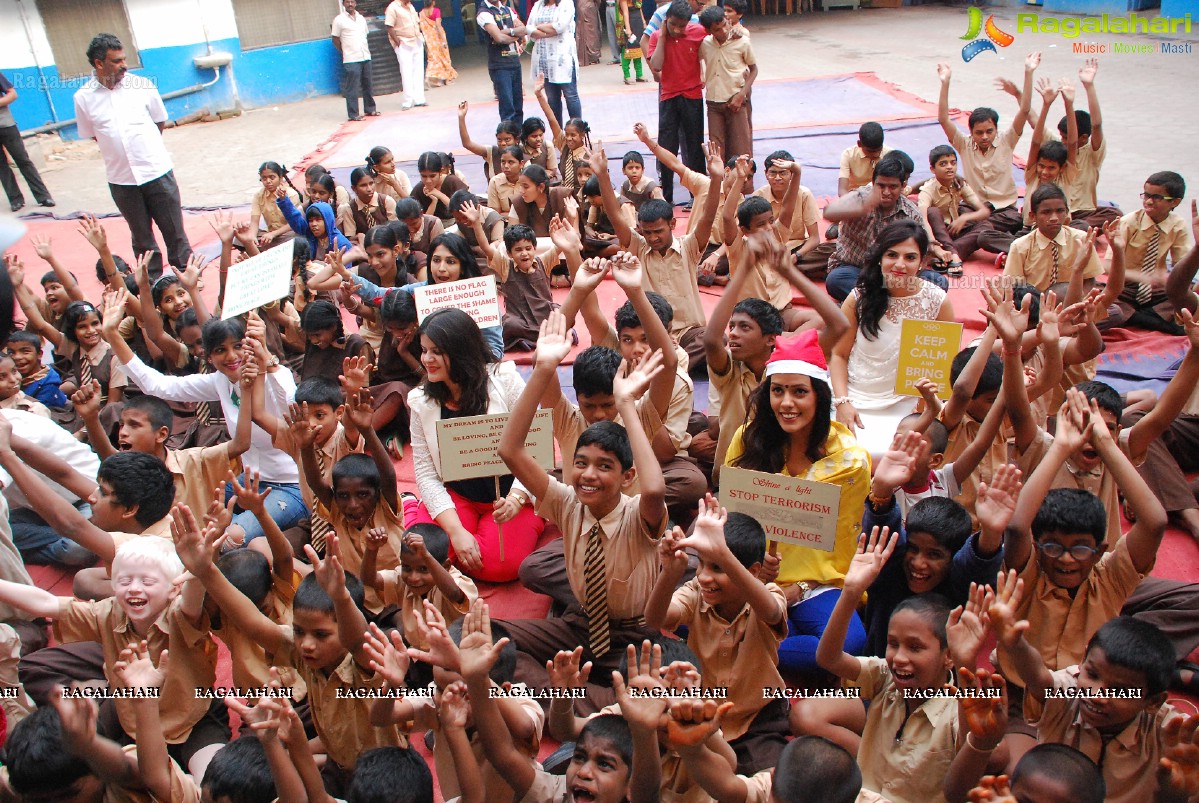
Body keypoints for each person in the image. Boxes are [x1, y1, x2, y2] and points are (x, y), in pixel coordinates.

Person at [723, 331, 872, 681]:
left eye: (799, 391)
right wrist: (757, 572)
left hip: (814, 585)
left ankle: (736, 644)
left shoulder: (849, 461)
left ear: (820, 397)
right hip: (750, 576)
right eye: (778, 391)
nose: (786, 403)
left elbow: (838, 550)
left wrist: (793, 590)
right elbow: (733, 520)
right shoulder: (747, 441)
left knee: (846, 646)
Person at [645, 499, 790, 774]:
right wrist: (669, 573)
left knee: (770, 779)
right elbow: (655, 619)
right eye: (702, 565)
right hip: (702, 711)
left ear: (754, 572)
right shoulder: (696, 591)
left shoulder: (768, 594)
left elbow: (771, 613)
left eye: (717, 568)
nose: (703, 577)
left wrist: (723, 553)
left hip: (757, 718)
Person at [405, 308, 545, 582]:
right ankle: (413, 508)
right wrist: (456, 532)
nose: (426, 359)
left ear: (459, 351)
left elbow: (536, 448)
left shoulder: (505, 381)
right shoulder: (421, 401)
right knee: (427, 556)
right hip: (457, 496)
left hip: (509, 495)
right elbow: (425, 472)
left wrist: (517, 499)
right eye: (423, 350)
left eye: (435, 351)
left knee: (499, 566)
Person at [829, 219, 956, 459]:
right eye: (892, 255)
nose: (899, 264)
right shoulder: (859, 298)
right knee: (839, 452)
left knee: (897, 455)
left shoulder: (937, 302)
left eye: (910, 257)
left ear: (921, 262)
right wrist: (843, 402)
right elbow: (839, 354)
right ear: (880, 258)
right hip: (855, 395)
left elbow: (943, 366)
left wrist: (926, 405)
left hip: (906, 404)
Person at [73, 33, 192, 279]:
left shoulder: (143, 86)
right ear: (98, 64)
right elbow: (94, 135)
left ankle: (187, 276)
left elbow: (159, 121)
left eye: (124, 59)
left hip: (156, 171)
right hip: (122, 180)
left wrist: (143, 149)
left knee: (174, 230)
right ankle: (153, 285)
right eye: (116, 61)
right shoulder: (83, 98)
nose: (124, 65)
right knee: (141, 237)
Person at [936, 55, 1039, 256]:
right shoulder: (964, 144)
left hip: (1004, 212)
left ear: (996, 129)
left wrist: (1029, 72)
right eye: (979, 132)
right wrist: (945, 82)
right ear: (971, 131)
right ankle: (1013, 244)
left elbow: (1025, 110)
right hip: (972, 207)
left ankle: (952, 252)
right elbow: (943, 118)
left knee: (983, 229)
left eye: (989, 131)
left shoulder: (1007, 140)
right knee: (953, 220)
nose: (984, 137)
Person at [824, 154, 948, 302]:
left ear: (903, 186)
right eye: (881, 186)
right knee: (835, 280)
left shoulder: (911, 214)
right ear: (873, 182)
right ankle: (893, 302)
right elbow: (828, 212)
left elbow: (920, 255)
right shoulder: (859, 197)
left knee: (938, 282)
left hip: (896, 274)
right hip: (857, 270)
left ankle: (873, 301)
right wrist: (859, 209)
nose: (886, 192)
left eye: (893, 187)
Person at [647, 0, 707, 205]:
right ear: (666, 21)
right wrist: (663, 36)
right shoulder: (657, 36)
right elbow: (656, 65)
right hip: (669, 96)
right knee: (667, 146)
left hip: (692, 96)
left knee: (694, 146)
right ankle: (667, 196)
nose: (677, 29)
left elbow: (717, 41)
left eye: (682, 26)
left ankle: (697, 194)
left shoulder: (698, 32)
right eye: (673, 24)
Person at [698, 6, 755, 169]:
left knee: (741, 149)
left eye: (724, 24)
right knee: (716, 150)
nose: (723, 31)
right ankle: (721, 188)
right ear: (708, 31)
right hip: (714, 103)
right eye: (717, 29)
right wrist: (700, 74)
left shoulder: (742, 41)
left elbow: (754, 69)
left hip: (736, 101)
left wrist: (742, 94)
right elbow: (695, 58)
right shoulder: (705, 44)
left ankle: (743, 190)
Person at [516, 0, 583, 128]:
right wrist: (548, 29)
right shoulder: (538, 5)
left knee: (570, 96)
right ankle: (557, 134)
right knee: (552, 99)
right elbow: (529, 28)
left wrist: (539, 27)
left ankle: (578, 132)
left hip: (563, 59)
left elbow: (560, 27)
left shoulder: (566, 3)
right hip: (544, 60)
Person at [0, 70, 54, 213]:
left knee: (23, 160)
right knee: (1, 166)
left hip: (6, 124)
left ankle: (43, 196)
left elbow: (12, 93)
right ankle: (15, 199)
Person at [476, 0, 527, 125]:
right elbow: (498, 38)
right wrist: (515, 35)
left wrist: (509, 32)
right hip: (499, 65)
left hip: (514, 62)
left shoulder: (507, 10)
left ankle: (518, 139)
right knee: (507, 108)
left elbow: (523, 29)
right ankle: (509, 141)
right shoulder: (484, 13)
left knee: (518, 107)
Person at [332, 0, 379, 122]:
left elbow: (365, 35)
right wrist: (345, 51)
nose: (350, 4)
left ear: (356, 3)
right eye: (347, 2)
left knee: (367, 84)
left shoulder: (361, 18)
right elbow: (335, 39)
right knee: (352, 87)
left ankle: (370, 109)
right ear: (343, 4)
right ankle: (353, 114)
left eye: (352, 1)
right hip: (351, 59)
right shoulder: (339, 20)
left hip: (365, 56)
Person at [386, 0, 426, 111]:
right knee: (406, 72)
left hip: (416, 41)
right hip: (404, 43)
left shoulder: (410, 6)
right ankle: (408, 101)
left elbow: (417, 23)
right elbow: (389, 27)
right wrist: (398, 43)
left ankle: (419, 99)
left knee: (418, 71)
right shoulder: (393, 7)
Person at [838, 122, 890, 197]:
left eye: (879, 150)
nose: (876, 154)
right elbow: (842, 190)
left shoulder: (889, 155)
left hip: (880, 197)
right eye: (871, 151)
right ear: (859, 144)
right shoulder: (848, 155)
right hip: (855, 197)